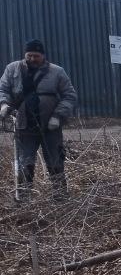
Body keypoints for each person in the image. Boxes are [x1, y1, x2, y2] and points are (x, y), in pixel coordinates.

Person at [0, 39, 77, 199]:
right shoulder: (12, 69)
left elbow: (69, 95)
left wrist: (58, 116)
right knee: (24, 162)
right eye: (29, 55)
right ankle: (23, 197)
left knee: (55, 161)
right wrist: (4, 104)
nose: (33, 59)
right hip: (23, 124)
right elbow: (3, 89)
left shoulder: (57, 72)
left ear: (43, 55)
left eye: (36, 56)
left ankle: (60, 196)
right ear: (25, 54)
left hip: (51, 126)